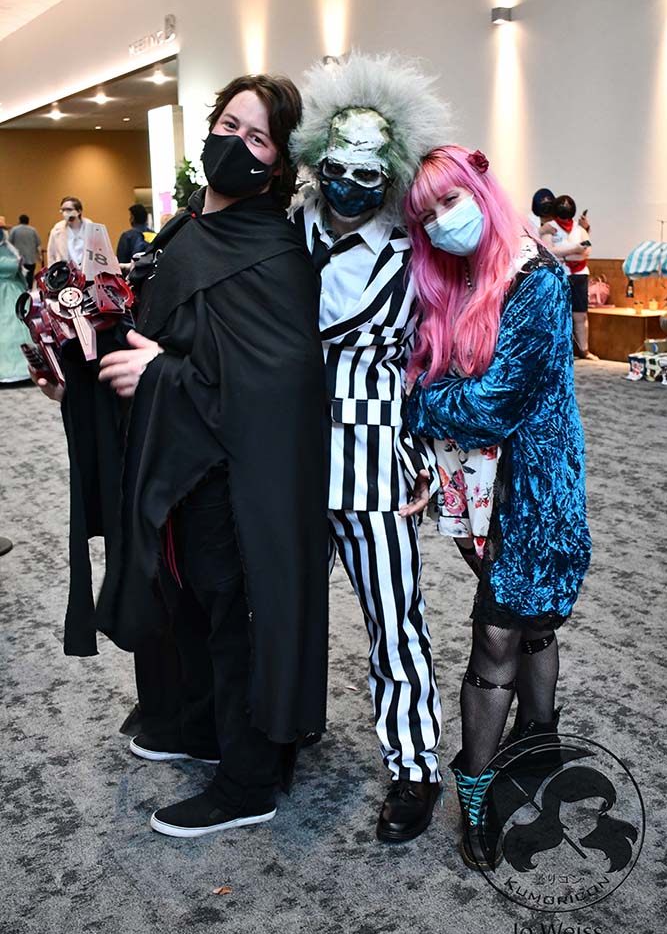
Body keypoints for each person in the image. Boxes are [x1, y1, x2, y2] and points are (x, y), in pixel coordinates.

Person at [95, 73, 329, 838]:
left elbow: (280, 380)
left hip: (238, 474)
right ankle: (201, 727)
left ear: (278, 161)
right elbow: (164, 328)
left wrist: (159, 374)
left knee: (236, 615)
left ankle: (247, 780)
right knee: (187, 598)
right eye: (228, 123)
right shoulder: (185, 227)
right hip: (181, 461)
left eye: (257, 137)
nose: (235, 142)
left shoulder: (275, 250)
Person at [404, 145, 591, 869]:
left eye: (449, 202)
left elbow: (494, 404)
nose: (441, 222)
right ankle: (539, 739)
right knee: (529, 619)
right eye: (426, 215)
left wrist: (417, 403)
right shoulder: (452, 275)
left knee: (496, 635)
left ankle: (475, 794)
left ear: (481, 190)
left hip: (533, 489)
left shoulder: (536, 277)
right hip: (477, 488)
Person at [289, 52, 449, 842]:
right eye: (336, 170)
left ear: (389, 173)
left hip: (376, 458)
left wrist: (427, 451)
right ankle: (277, 730)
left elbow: (439, 358)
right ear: (317, 161)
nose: (349, 186)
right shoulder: (284, 228)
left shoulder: (413, 251)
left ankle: (414, 766)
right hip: (284, 453)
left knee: (395, 618)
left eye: (367, 173)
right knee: (278, 608)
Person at [551, 193, 598, 360]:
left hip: (579, 274)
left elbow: (586, 251)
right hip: (558, 274)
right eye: (562, 205)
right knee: (558, 314)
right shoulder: (549, 227)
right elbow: (550, 251)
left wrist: (565, 252)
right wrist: (575, 249)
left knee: (580, 314)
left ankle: (584, 350)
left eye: (568, 205)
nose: (565, 207)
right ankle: (559, 352)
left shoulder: (580, 229)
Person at [0, 228, 30, 383]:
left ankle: (27, 367)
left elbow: (19, 275)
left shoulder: (10, 249)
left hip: (14, 292)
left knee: (19, 325)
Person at [46, 196, 91, 268]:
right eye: (63, 210)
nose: (65, 213)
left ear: (79, 211)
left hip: (86, 271)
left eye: (69, 209)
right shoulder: (57, 230)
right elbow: (51, 254)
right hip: (64, 272)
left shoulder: (91, 228)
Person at [9, 214, 41, 286]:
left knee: (19, 277)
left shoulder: (14, 230)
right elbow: (38, 245)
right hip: (31, 258)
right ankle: (29, 289)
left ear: (19, 221)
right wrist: (39, 256)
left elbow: (9, 244)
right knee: (30, 276)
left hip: (18, 259)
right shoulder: (33, 230)